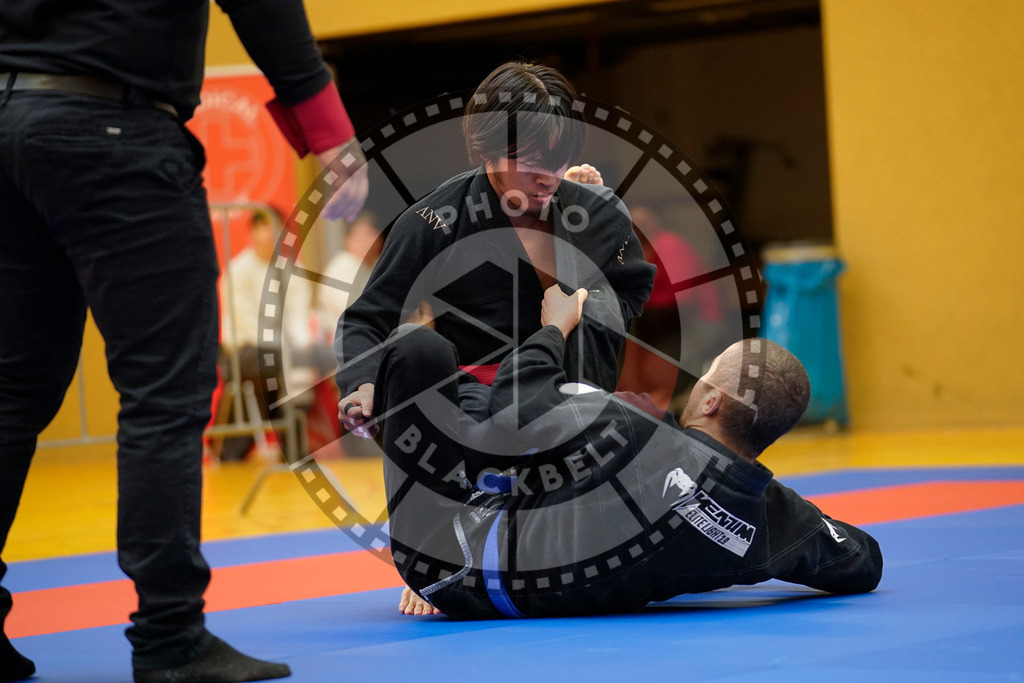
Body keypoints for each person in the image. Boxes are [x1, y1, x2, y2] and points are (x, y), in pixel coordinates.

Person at [0, 1, 368, 680]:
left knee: (12, 390)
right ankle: (170, 633)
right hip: (113, 127)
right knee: (166, 391)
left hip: (10, 120)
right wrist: (330, 131)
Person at [378, 285, 883, 618]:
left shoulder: (633, 430)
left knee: (416, 349)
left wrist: (552, 328)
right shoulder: (773, 518)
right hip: (520, 539)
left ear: (709, 400)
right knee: (528, 419)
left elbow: (512, 414)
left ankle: (373, 403)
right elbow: (863, 559)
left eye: (707, 369)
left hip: (449, 558)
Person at [335, 61, 655, 440]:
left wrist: (591, 327)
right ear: (488, 150)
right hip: (477, 412)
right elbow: (367, 319)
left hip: (577, 402)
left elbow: (633, 283)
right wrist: (362, 384)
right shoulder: (435, 222)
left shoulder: (594, 212)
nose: (548, 177)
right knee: (417, 347)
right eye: (532, 161)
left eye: (558, 160)